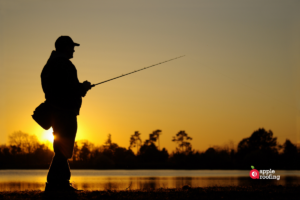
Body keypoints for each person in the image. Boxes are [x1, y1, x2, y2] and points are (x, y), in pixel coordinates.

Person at [41, 36, 92, 191]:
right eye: (71, 47)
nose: (74, 50)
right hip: (65, 112)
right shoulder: (65, 64)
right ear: (65, 47)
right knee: (64, 149)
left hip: (56, 111)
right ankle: (57, 183)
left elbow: (58, 88)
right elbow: (70, 89)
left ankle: (58, 183)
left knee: (61, 148)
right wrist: (83, 87)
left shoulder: (50, 64)